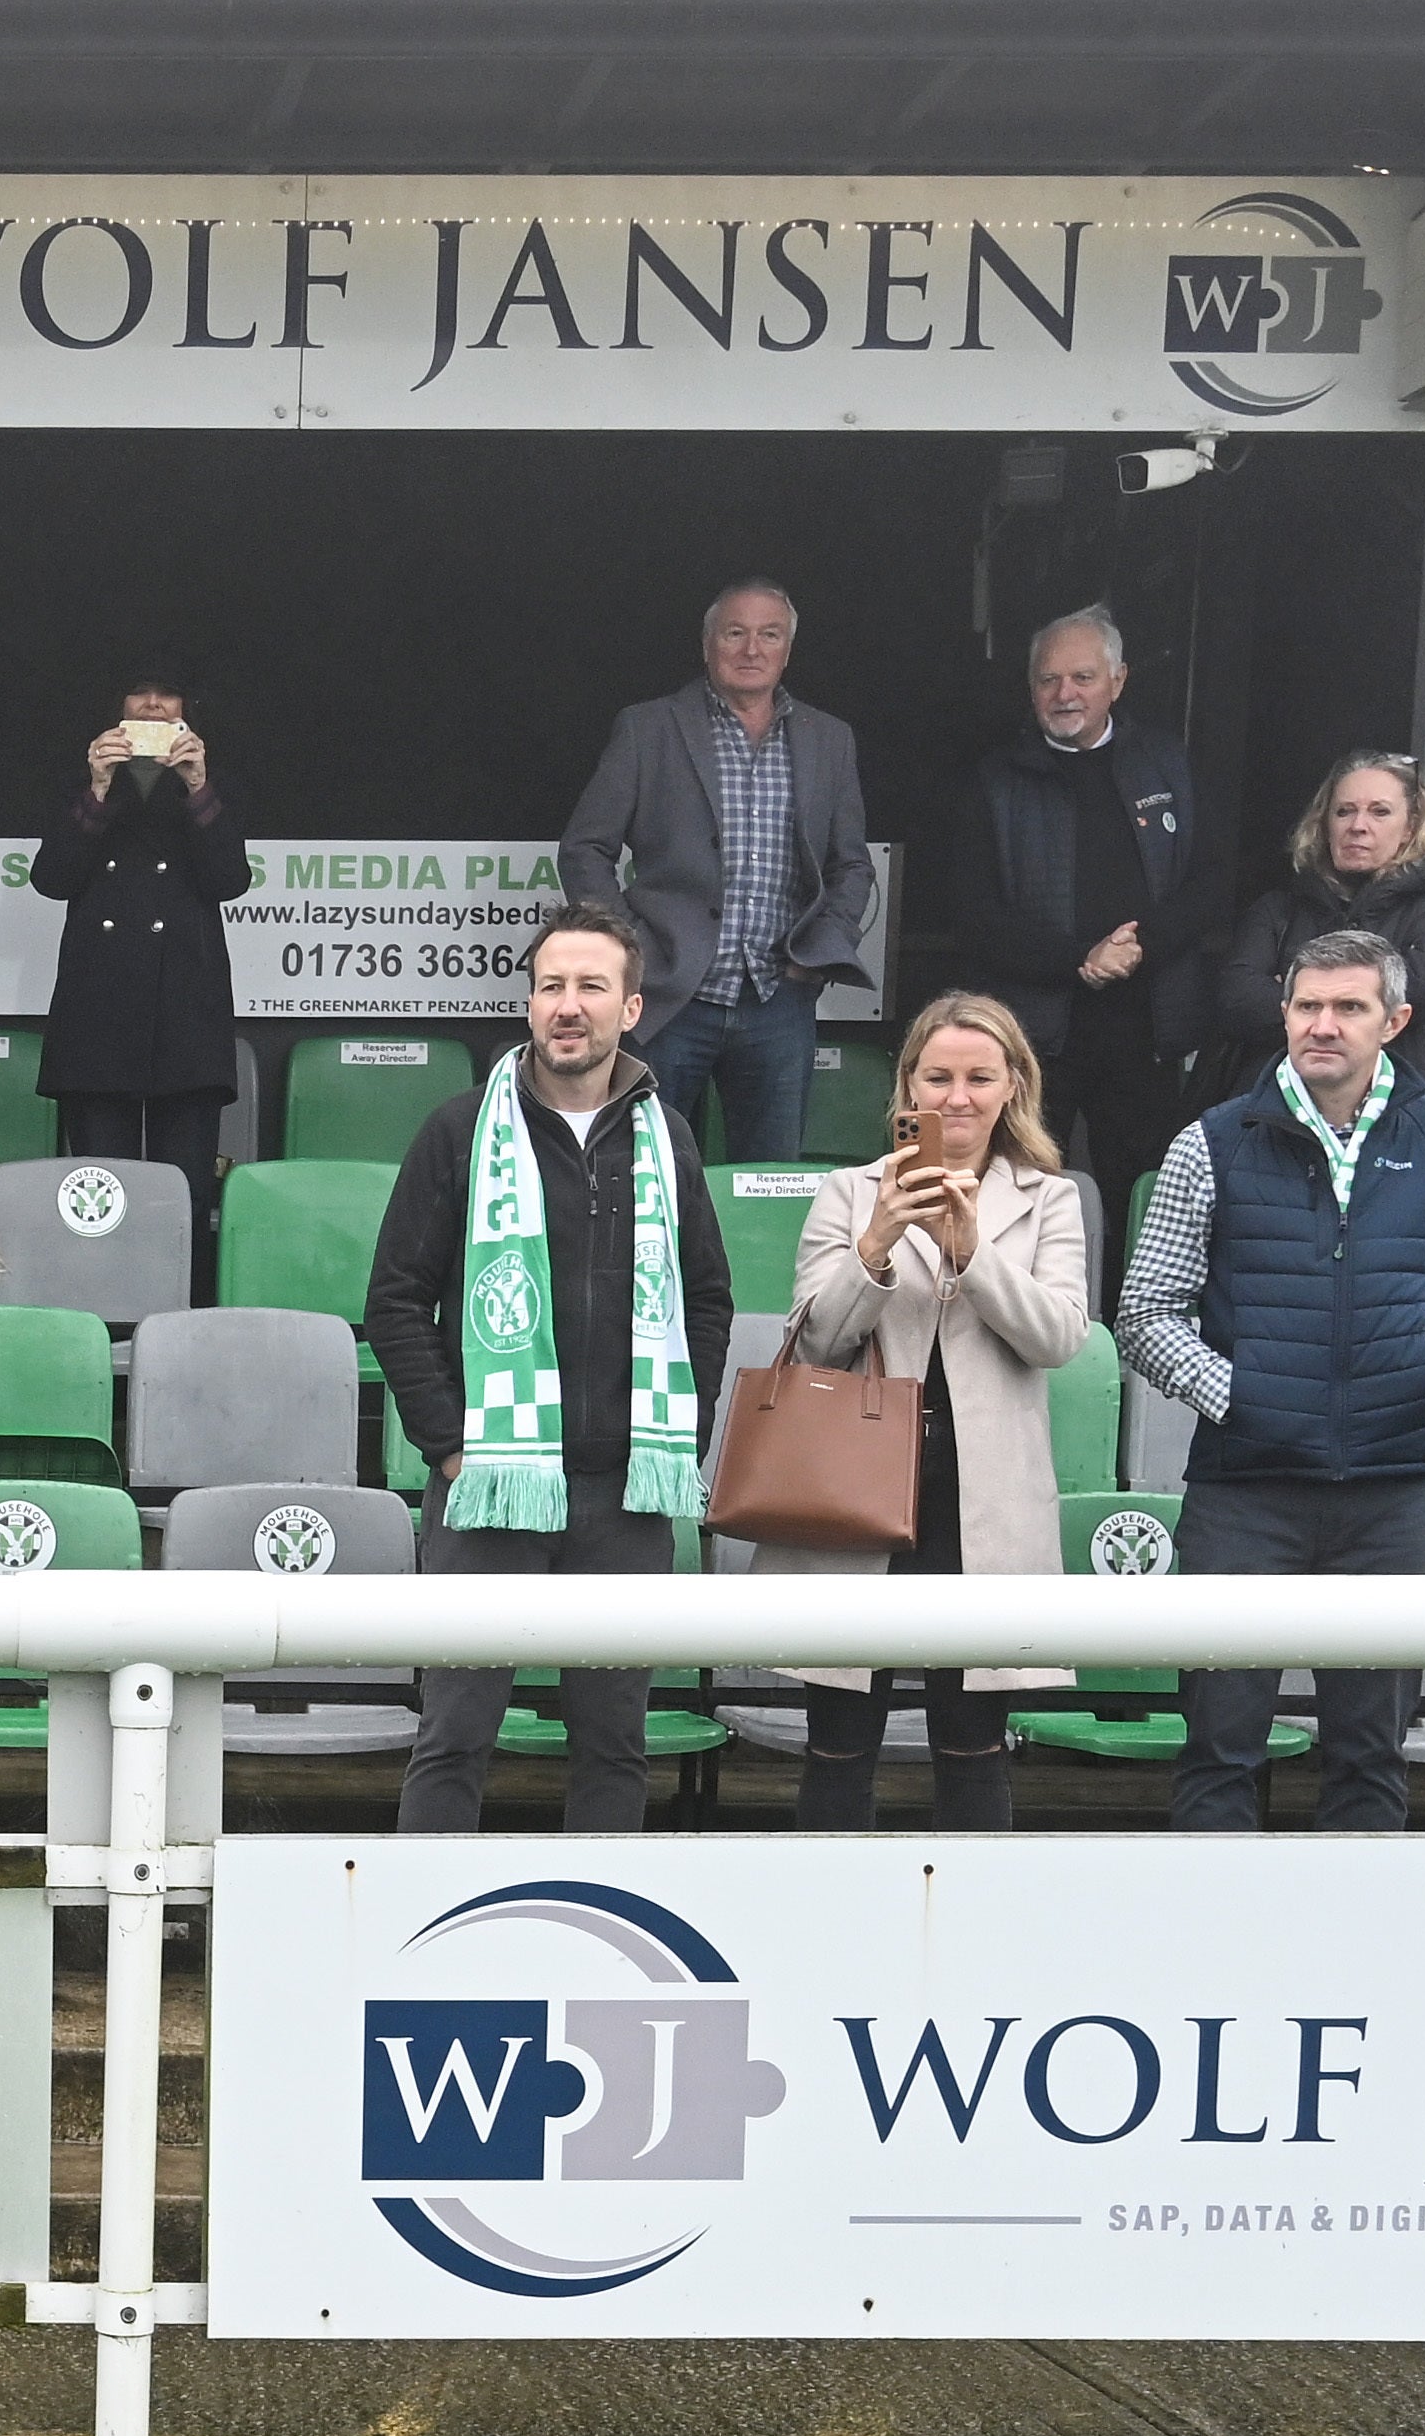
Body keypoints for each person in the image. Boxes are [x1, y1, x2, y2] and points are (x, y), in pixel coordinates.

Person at [1115, 926, 1425, 1835]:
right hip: (1245, 1494)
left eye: (1349, 1007)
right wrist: (1240, 1394)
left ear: (1394, 1020)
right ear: (1282, 1013)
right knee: (1220, 1747)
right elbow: (1146, 1311)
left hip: (1390, 1494)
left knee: (1371, 1754)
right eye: (1307, 1005)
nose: (1324, 1025)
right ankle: (1218, 1959)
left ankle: (1356, 1963)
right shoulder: (1212, 1142)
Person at [364, 903, 738, 1837]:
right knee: (453, 1736)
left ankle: (598, 1954)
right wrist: (451, 1449)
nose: (566, 1006)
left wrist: (671, 1444)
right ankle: (419, 1952)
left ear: (632, 1009)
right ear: (530, 1004)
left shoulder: (671, 1139)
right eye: (550, 986)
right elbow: (395, 1302)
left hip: (624, 1497)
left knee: (613, 1746)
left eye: (590, 987)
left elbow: (708, 1302)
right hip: (486, 1489)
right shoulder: (458, 1131)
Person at [771, 996, 1092, 1831]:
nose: (958, 1097)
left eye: (980, 1077)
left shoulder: (1049, 1199)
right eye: (938, 1076)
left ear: (1012, 1086)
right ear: (907, 1085)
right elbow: (815, 1345)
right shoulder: (850, 1193)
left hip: (982, 1501)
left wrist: (972, 1252)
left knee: (974, 1742)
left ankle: (976, 1941)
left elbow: (1060, 1336)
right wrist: (875, 1244)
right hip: (861, 1490)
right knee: (839, 1741)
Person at [555, 579, 877, 1170]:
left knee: (770, 1178)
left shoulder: (829, 739)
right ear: (708, 645)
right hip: (667, 999)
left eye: (769, 635)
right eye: (735, 633)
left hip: (779, 1001)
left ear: (787, 650)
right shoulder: (647, 728)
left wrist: (821, 949)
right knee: (640, 1171)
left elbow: (852, 865)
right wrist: (631, 953)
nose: (752, 649)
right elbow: (584, 850)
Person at [942, 606, 1231, 1208]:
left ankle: (1131, 1305)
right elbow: (972, 914)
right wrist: (1081, 958)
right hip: (1034, 1035)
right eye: (1049, 680)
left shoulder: (1168, 764)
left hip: (1147, 1026)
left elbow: (1209, 883)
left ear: (1118, 681)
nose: (1064, 694)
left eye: (1082, 678)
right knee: (1024, 1194)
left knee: (1144, 1194)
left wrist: (1138, 948)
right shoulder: (993, 780)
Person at [27, 676, 253, 1309]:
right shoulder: (83, 776)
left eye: (168, 695)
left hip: (185, 1007)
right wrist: (97, 790)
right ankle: (101, 1318)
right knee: (98, 1188)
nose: (153, 706)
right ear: (116, 708)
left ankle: (185, 1319)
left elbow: (230, 878)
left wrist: (197, 786)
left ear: (188, 710)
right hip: (99, 1007)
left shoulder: (213, 780)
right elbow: (52, 878)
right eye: (139, 695)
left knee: (185, 1191)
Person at [1204, 753, 1425, 1099]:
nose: (1358, 826)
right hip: (1271, 1113)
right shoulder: (1280, 907)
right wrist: (1364, 1005)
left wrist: (1296, 994)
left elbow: (1424, 991)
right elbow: (1237, 997)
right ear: (1324, 823)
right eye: (1344, 811)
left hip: (1392, 1116)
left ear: (1409, 828)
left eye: (1379, 812)